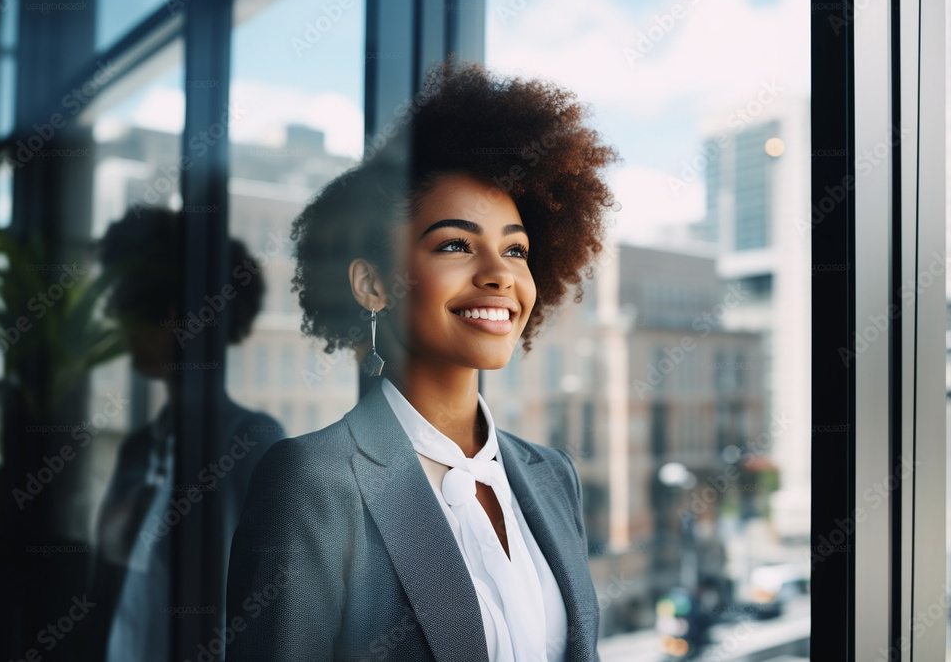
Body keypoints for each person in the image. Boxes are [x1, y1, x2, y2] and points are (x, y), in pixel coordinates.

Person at [226, 59, 618, 662]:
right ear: (372, 285)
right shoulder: (311, 481)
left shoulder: (551, 475)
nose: (498, 274)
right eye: (455, 244)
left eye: (516, 249)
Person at [83, 206, 284, 662]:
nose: (122, 325)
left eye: (131, 307)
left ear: (174, 315)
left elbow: (267, 607)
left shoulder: (250, 441)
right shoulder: (142, 447)